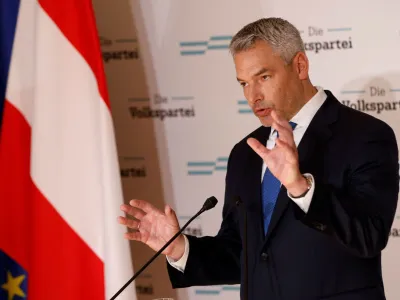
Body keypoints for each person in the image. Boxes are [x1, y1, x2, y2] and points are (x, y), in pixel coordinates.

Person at [117, 17, 399, 300]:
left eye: (263, 77)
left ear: (300, 66)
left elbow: (368, 237)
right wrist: (178, 247)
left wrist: (301, 188)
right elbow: (242, 253)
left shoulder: (365, 135)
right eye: (243, 83)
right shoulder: (246, 153)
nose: (253, 96)